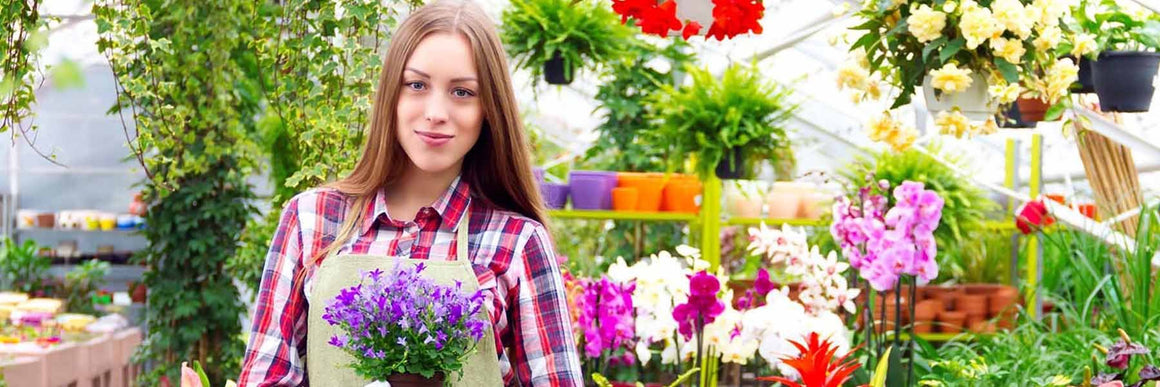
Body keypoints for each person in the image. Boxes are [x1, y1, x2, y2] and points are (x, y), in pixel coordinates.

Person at [237, 1, 583, 385]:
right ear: (391, 95)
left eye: (463, 92)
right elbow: (266, 377)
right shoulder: (312, 220)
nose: (436, 111)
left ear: (489, 109)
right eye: (417, 85)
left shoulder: (518, 243)